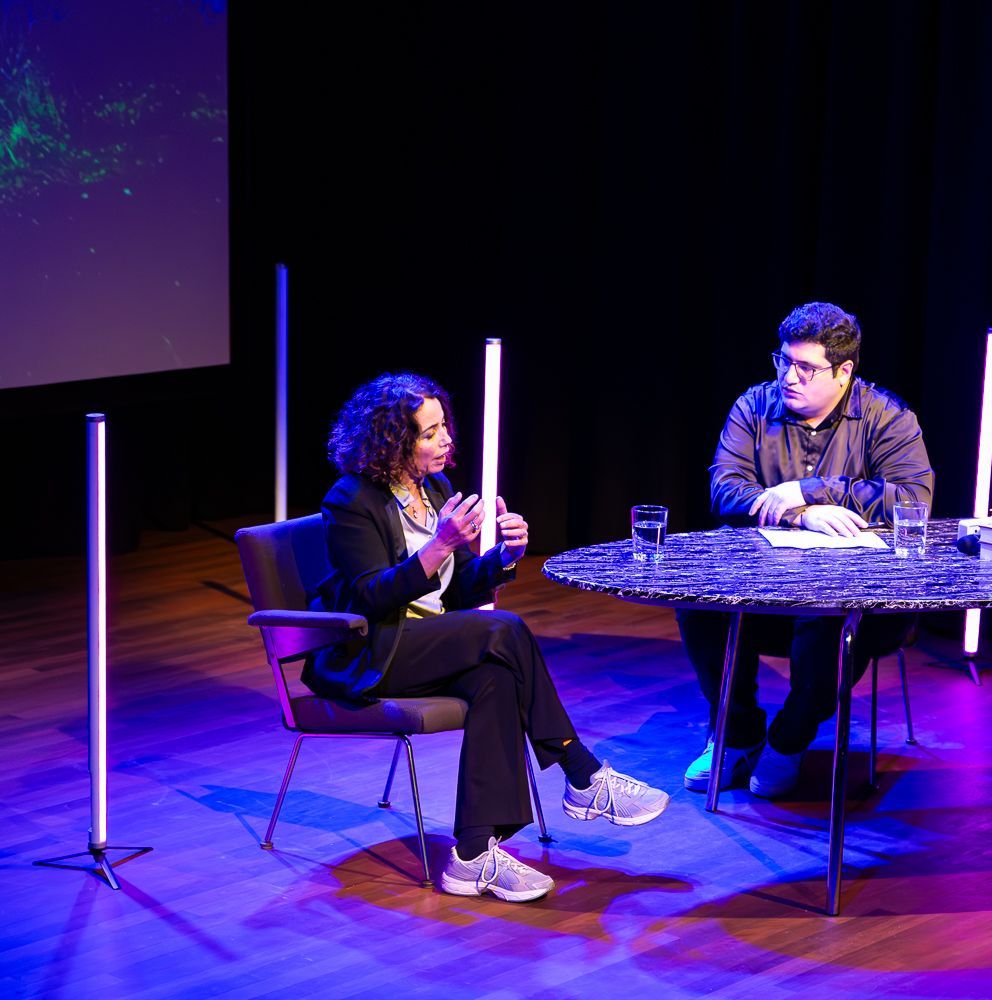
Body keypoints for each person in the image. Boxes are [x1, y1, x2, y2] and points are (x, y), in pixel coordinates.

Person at [311, 372, 668, 903]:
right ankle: (581, 772)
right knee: (506, 628)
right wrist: (438, 547)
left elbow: (453, 596)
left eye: (444, 427)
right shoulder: (351, 501)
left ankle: (473, 855)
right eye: (430, 433)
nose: (446, 440)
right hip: (378, 650)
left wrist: (500, 561)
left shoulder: (433, 490)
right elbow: (369, 598)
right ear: (394, 441)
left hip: (433, 639)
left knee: (496, 677)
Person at [677, 302, 935, 798]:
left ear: (844, 372)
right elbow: (724, 490)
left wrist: (810, 489)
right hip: (761, 587)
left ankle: (790, 739)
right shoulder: (753, 407)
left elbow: (913, 499)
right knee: (697, 607)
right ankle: (737, 732)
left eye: (806, 368)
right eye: (783, 361)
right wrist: (801, 514)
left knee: (827, 621)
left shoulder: (887, 417)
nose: (789, 378)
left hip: (855, 597)